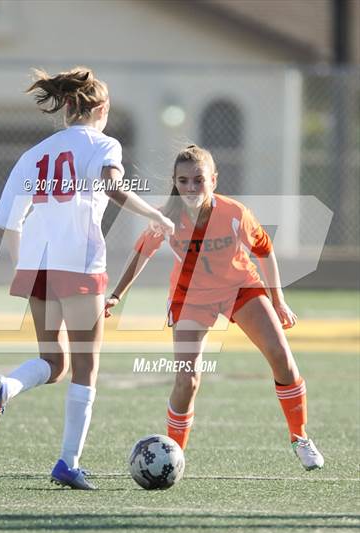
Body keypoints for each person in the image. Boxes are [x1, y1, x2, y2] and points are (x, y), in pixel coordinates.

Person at [0, 66, 174, 489]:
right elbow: (115, 188)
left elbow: (8, 220)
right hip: (80, 264)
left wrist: (21, 266)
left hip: (37, 264)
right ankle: (68, 462)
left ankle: (7, 389)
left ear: (67, 106)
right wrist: (156, 214)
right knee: (86, 367)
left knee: (55, 362)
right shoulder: (104, 143)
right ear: (100, 108)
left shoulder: (36, 152)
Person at [105, 144, 324, 471]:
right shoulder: (164, 216)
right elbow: (141, 254)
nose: (191, 187)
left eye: (199, 180)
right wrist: (117, 295)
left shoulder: (235, 213)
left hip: (240, 289)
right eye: (183, 181)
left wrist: (278, 301)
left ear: (214, 180)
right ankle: (173, 458)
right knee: (187, 380)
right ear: (175, 182)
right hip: (190, 297)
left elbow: (264, 251)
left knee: (281, 357)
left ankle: (300, 437)